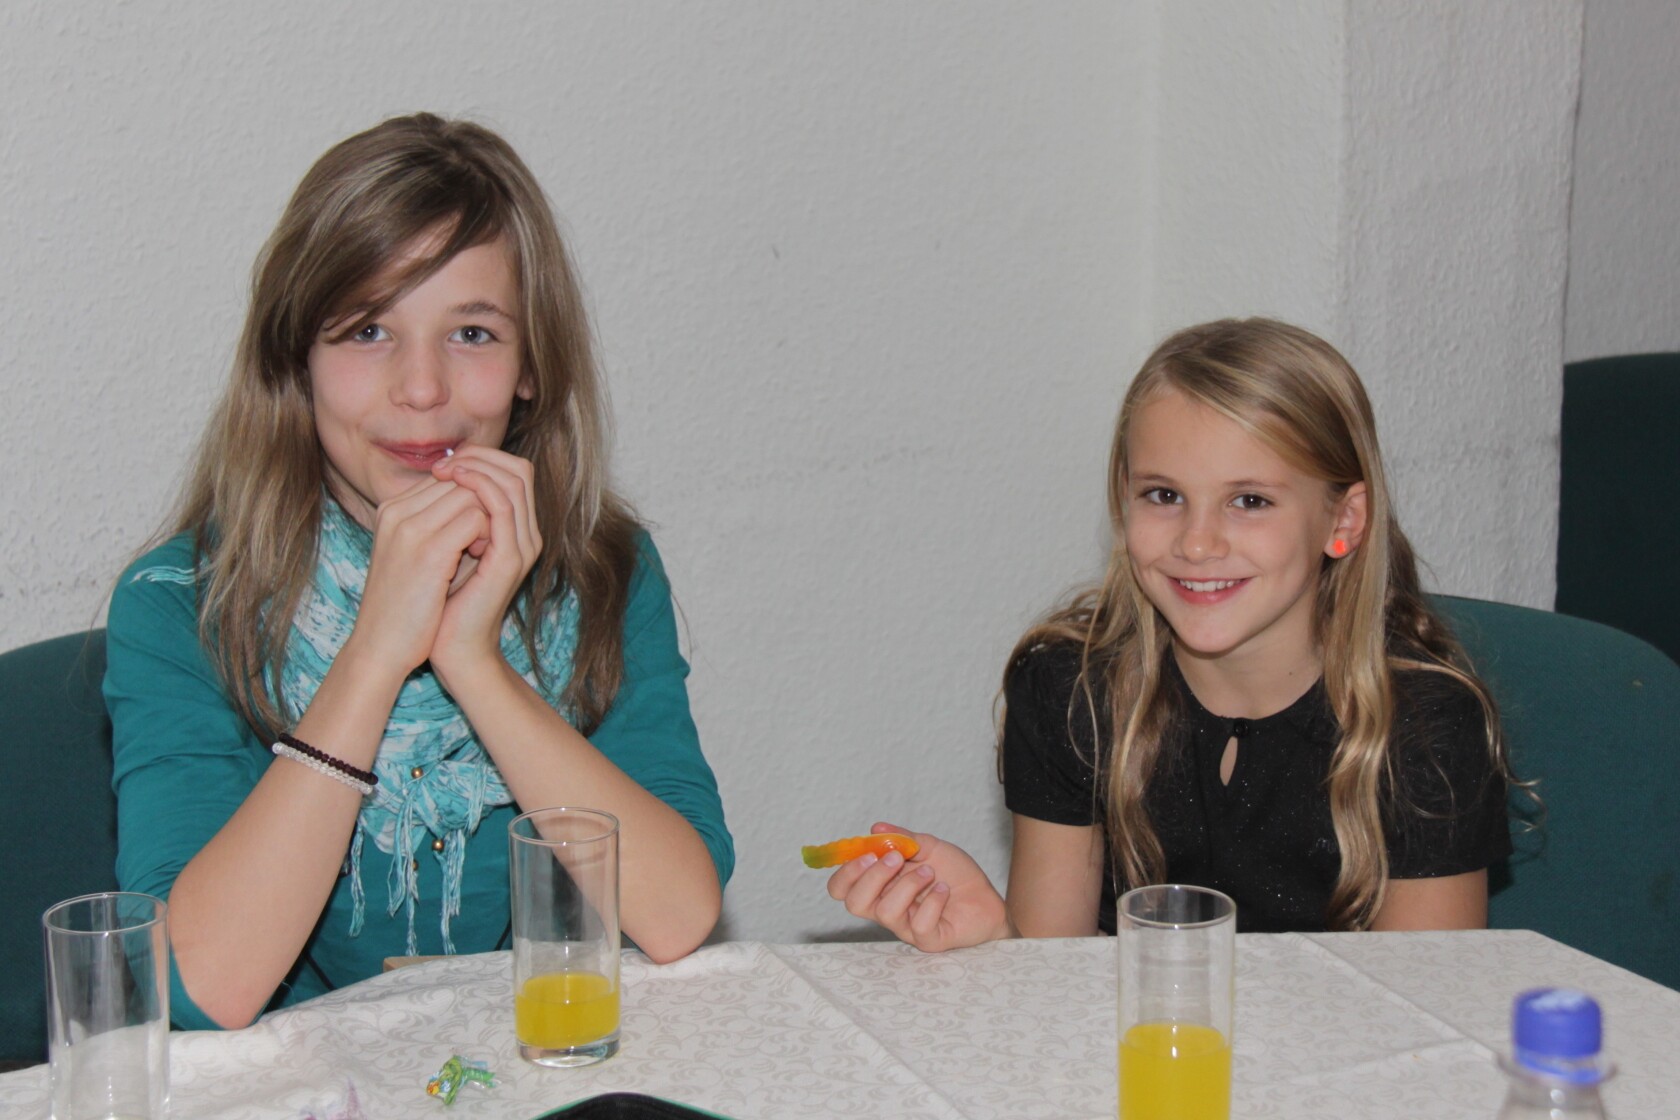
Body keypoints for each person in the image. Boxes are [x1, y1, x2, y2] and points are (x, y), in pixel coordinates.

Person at [105, 113, 733, 1029]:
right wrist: (375, 654)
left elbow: (675, 915)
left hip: (534, 1063)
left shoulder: (605, 571)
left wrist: (472, 659)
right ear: (298, 363)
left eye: (472, 333)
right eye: (368, 330)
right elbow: (197, 987)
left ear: (530, 367)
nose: (423, 388)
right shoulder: (182, 606)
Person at [827, 318, 1515, 947]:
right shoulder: (1071, 689)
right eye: (1164, 495)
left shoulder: (1424, 726)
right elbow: (1051, 972)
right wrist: (996, 939)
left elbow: (1423, 1006)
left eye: (1250, 501)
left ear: (1344, 520)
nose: (1197, 542)